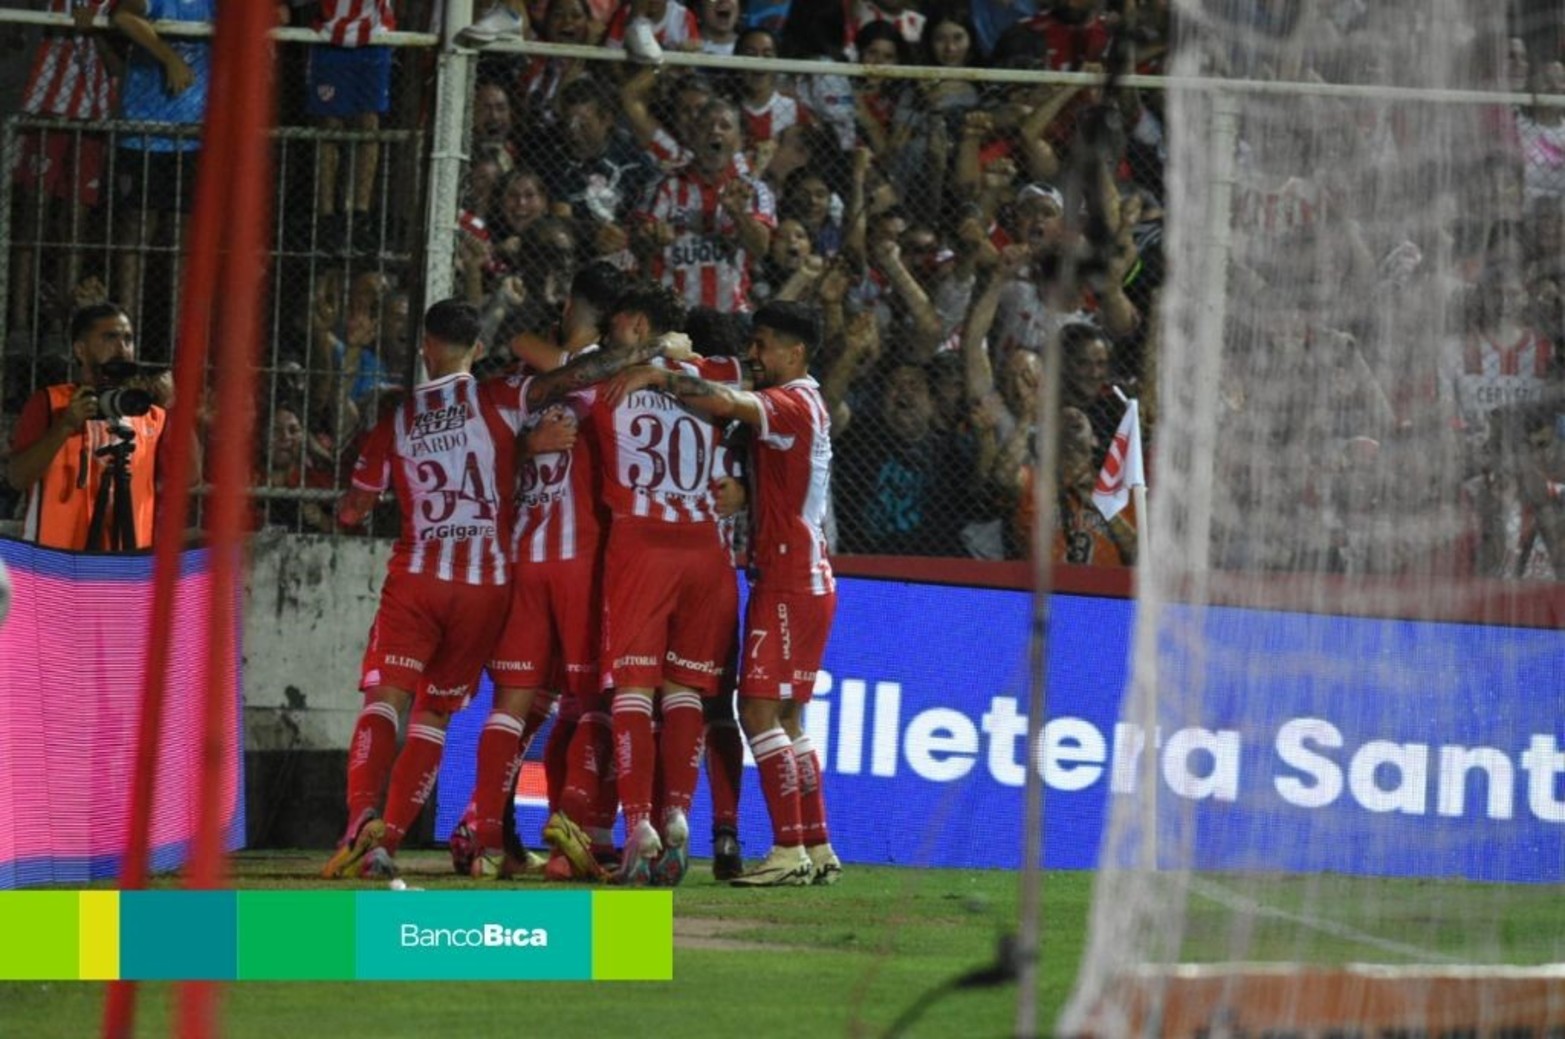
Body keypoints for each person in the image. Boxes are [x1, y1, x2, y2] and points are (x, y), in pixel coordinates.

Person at [320, 298, 668, 880]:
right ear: (478, 349)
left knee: (386, 699)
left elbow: (353, 512)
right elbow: (573, 376)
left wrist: (363, 492)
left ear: (427, 348)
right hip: (486, 587)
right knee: (436, 716)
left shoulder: (395, 418)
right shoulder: (501, 398)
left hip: (419, 577)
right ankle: (470, 834)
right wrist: (646, 352)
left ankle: (365, 828)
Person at [606, 300, 839, 886]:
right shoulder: (803, 401)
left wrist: (660, 372)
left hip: (787, 580)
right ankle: (817, 843)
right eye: (752, 343)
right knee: (789, 718)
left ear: (797, 353)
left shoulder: (788, 401)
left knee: (757, 710)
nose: (755, 356)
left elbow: (725, 401)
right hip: (803, 574)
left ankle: (787, 850)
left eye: (764, 345)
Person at [591, 284, 744, 886]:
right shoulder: (716, 375)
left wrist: (646, 369)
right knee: (685, 691)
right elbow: (744, 386)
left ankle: (638, 827)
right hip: (706, 550)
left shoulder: (605, 382)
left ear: (631, 323)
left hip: (642, 544)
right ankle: (678, 811)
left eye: (614, 327)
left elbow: (554, 368)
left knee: (632, 689)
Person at [7, 303, 167, 552]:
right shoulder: (52, 403)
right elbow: (17, 477)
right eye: (110, 338)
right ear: (80, 350)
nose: (122, 348)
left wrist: (178, 409)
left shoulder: (149, 413)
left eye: (128, 339)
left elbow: (190, 477)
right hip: (56, 562)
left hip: (125, 564)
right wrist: (66, 426)